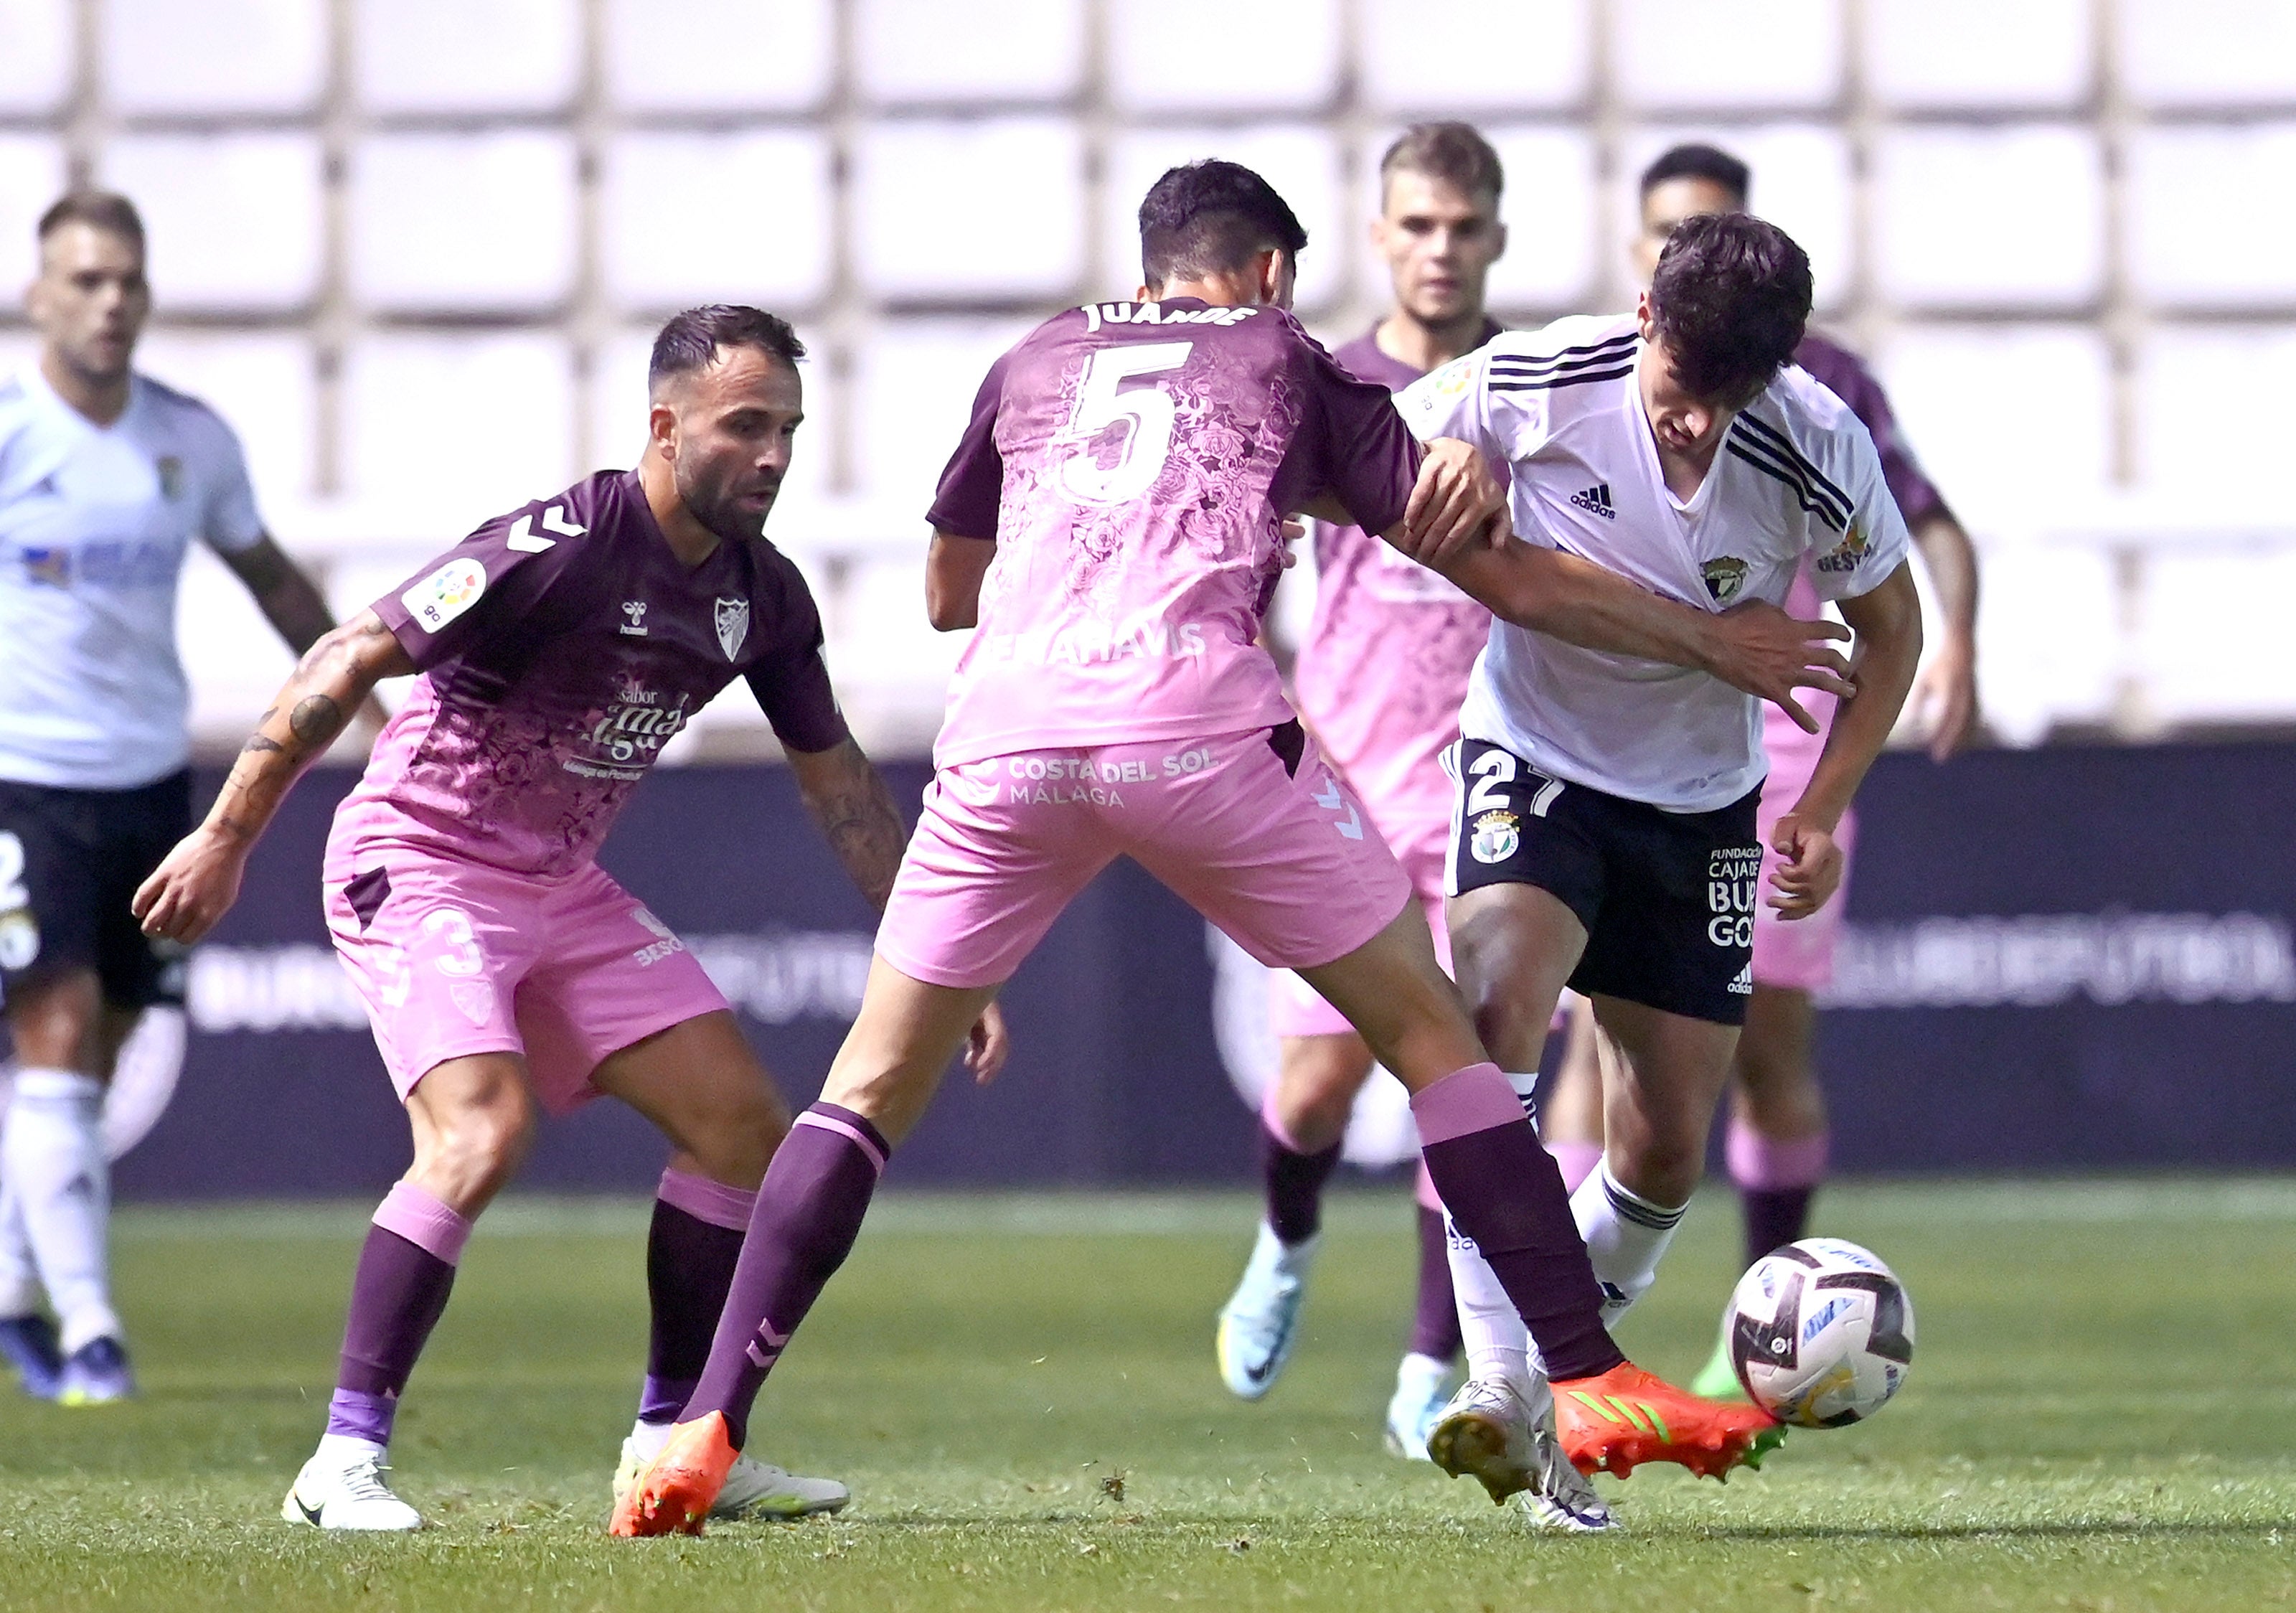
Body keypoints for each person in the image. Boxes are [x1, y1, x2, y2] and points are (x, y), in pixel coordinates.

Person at [613, 161, 1855, 1540]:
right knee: (1441, 1041)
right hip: (1195, 723)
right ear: (1267, 271)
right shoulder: (1282, 353)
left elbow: (948, 593)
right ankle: (1583, 1374)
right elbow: (1495, 567)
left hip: (1009, 734)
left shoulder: (1037, 356)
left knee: (863, 1090)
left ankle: (697, 1432)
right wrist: (1710, 637)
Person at [133, 306, 982, 1530]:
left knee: (742, 1126)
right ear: (663, 426)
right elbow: (351, 650)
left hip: (556, 883)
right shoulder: (563, 543)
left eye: (789, 431)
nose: (775, 457)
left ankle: (675, 1444)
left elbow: (840, 781)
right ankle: (344, 1461)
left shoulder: (762, 594)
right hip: (418, 857)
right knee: (480, 1134)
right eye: (746, 426)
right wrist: (225, 835)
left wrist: (941, 960)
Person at [1399, 211, 1927, 1519]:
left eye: (1726, 399)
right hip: (1536, 758)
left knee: (1666, 1150)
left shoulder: (1817, 440)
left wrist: (1822, 802)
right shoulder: (1535, 376)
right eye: (1680, 391)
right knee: (1496, 1013)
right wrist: (1445, 448)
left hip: (1702, 806)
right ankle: (1497, 1383)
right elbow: (1384, 459)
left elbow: (1894, 635)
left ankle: (1528, 1408)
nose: (1693, 427)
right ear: (1645, 316)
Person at [1541, 142, 1983, 1398]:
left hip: (1778, 739)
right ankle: (1572, 1337)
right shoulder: (1590, 378)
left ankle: (1766, 1326)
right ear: (1645, 262)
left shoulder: (1818, 389)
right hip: (1617, 742)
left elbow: (1924, 529)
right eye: (1668, 234)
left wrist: (1959, 643)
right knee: (1593, 1046)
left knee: (1766, 1043)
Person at [0, 192, 365, 1406]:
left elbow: (270, 578)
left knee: (94, 1053)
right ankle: (93, 1334)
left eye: (127, 282)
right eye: (85, 281)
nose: (109, 302)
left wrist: (379, 704)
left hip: (152, 780)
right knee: (50, 1029)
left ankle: (10, 1291)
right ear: (40, 296)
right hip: (24, 779)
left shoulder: (189, 441)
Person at [1211, 122, 1510, 1457]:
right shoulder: (1326, 387)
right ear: (1381, 235)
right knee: (1320, 1085)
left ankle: (1429, 1364)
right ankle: (1284, 1239)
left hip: (1496, 788)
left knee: (1469, 1087)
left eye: (1464, 225)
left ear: (1495, 234)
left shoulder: (1531, 390)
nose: (1440, 248)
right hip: (1348, 784)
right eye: (1417, 225)